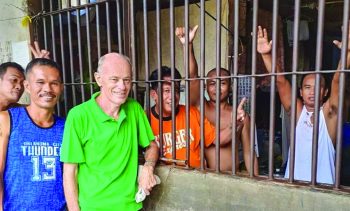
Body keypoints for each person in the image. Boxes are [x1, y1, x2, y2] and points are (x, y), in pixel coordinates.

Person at [60, 53, 159, 210]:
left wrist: (149, 166)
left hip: (132, 206)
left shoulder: (134, 109)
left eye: (127, 80)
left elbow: (152, 146)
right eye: (114, 79)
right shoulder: (78, 116)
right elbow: (70, 172)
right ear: (98, 79)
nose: (122, 86)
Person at [257, 25, 350, 184]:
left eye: (317, 88)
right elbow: (280, 81)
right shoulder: (298, 111)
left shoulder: (329, 115)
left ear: (325, 92)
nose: (312, 92)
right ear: (300, 92)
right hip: (293, 186)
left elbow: (338, 80)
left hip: (323, 189)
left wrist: (347, 54)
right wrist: (266, 55)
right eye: (307, 87)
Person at [174, 25, 259, 174]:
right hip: (203, 178)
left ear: (231, 87)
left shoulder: (240, 116)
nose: (217, 88)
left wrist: (257, 186)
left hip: (232, 178)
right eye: (212, 83)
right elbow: (192, 77)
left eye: (223, 83)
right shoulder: (200, 107)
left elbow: (248, 153)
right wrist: (188, 45)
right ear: (206, 87)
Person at [0, 58, 66, 210]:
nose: (47, 89)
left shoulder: (66, 127)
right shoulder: (8, 119)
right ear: (27, 86)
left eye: (54, 83)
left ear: (61, 87)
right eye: (40, 82)